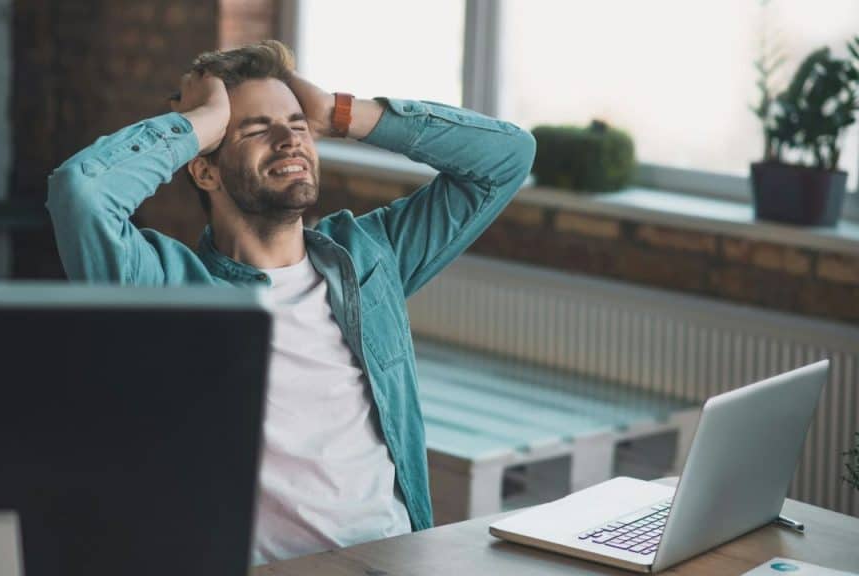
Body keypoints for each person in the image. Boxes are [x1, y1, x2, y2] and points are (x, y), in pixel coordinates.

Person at [46, 40, 536, 565]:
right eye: (256, 129)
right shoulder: (168, 289)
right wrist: (205, 119)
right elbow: (81, 194)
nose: (289, 140)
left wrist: (339, 112)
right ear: (205, 169)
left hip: (396, 556)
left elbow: (508, 158)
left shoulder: (370, 259)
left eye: (299, 124)